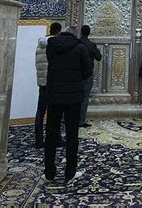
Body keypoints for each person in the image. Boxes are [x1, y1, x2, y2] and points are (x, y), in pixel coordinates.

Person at [44, 25, 92, 183]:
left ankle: (49, 172)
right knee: (72, 135)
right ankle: (70, 172)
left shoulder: (51, 46)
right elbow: (87, 71)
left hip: (54, 95)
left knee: (51, 133)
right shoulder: (80, 48)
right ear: (75, 35)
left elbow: (50, 65)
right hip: (73, 98)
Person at [34, 21, 65, 149]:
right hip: (54, 82)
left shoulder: (40, 45)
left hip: (42, 83)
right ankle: (56, 138)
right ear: (58, 31)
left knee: (40, 112)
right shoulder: (56, 45)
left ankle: (39, 140)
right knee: (56, 112)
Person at [79, 25, 102, 128]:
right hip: (87, 75)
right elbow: (98, 57)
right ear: (89, 33)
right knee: (84, 98)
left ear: (80, 32)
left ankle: (71, 118)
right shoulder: (91, 45)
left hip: (76, 74)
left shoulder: (77, 43)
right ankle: (81, 120)